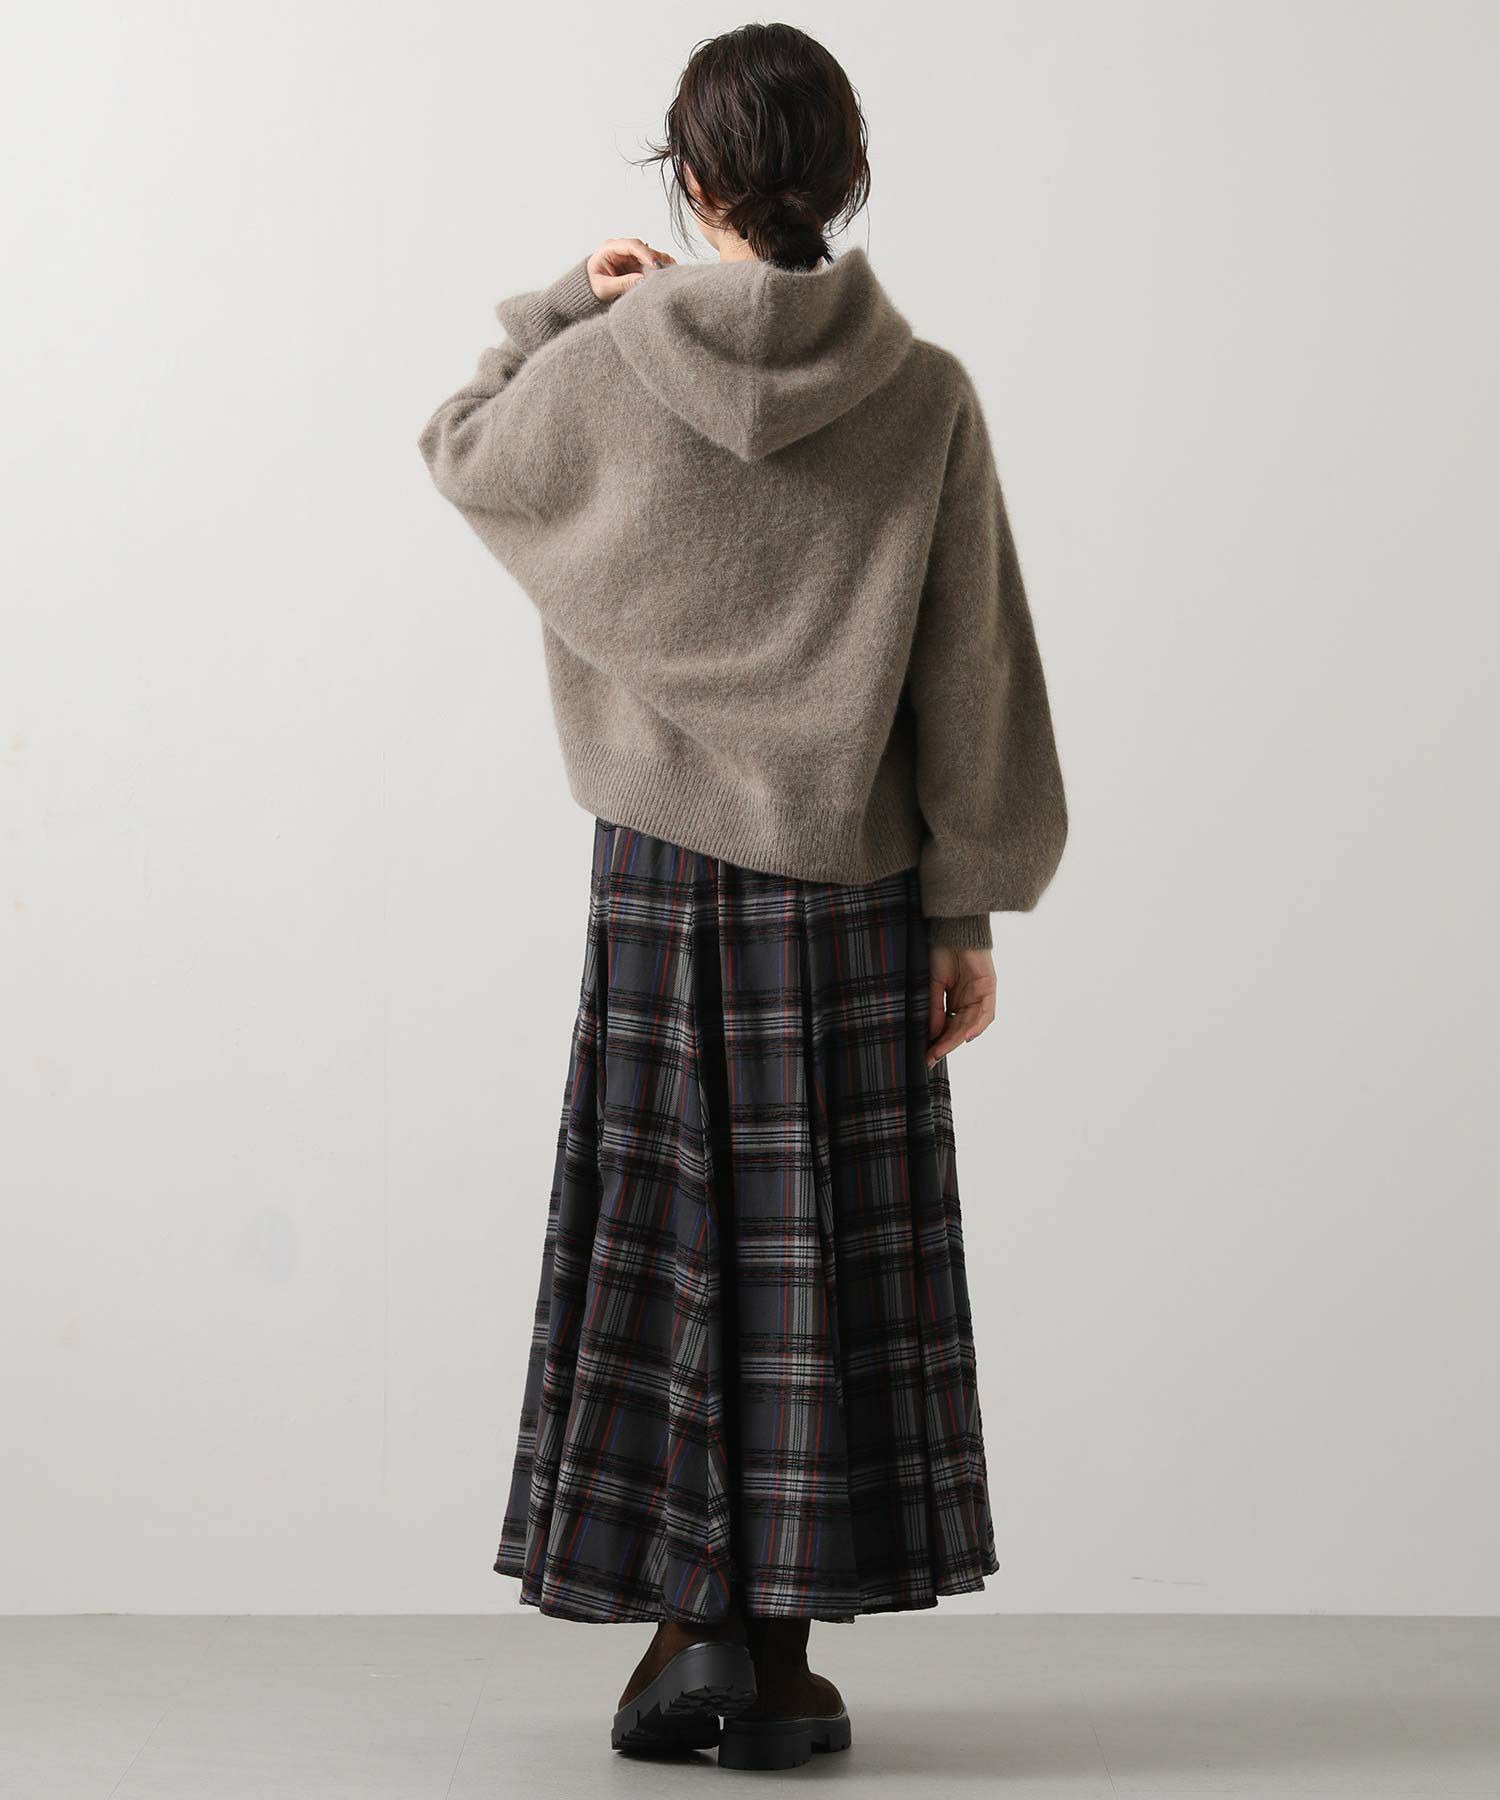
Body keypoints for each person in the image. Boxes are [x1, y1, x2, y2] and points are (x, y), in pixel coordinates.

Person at [418, 20, 1066, 1773]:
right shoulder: (923, 390)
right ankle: (766, 1662)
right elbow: (971, 667)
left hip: (659, 872)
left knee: (670, 1234)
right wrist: (966, 909)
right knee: (815, 1256)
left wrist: (563, 304)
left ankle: (686, 1637)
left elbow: (464, 449)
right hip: (852, 885)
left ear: (690, 177)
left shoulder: (607, 366)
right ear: (845, 179)